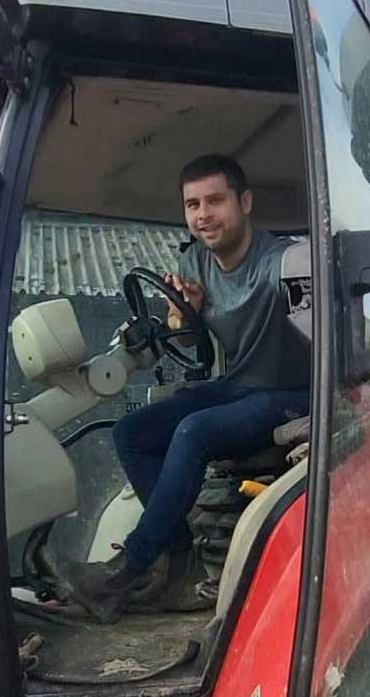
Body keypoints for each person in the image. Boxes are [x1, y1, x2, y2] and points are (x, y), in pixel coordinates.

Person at [70, 153, 310, 618]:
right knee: (132, 432)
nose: (204, 215)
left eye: (215, 201)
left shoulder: (284, 263)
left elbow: (332, 333)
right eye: (193, 204)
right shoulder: (196, 263)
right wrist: (188, 314)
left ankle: (128, 569)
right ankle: (178, 561)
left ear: (245, 202)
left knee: (194, 430)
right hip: (241, 386)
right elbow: (190, 342)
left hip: (295, 394)